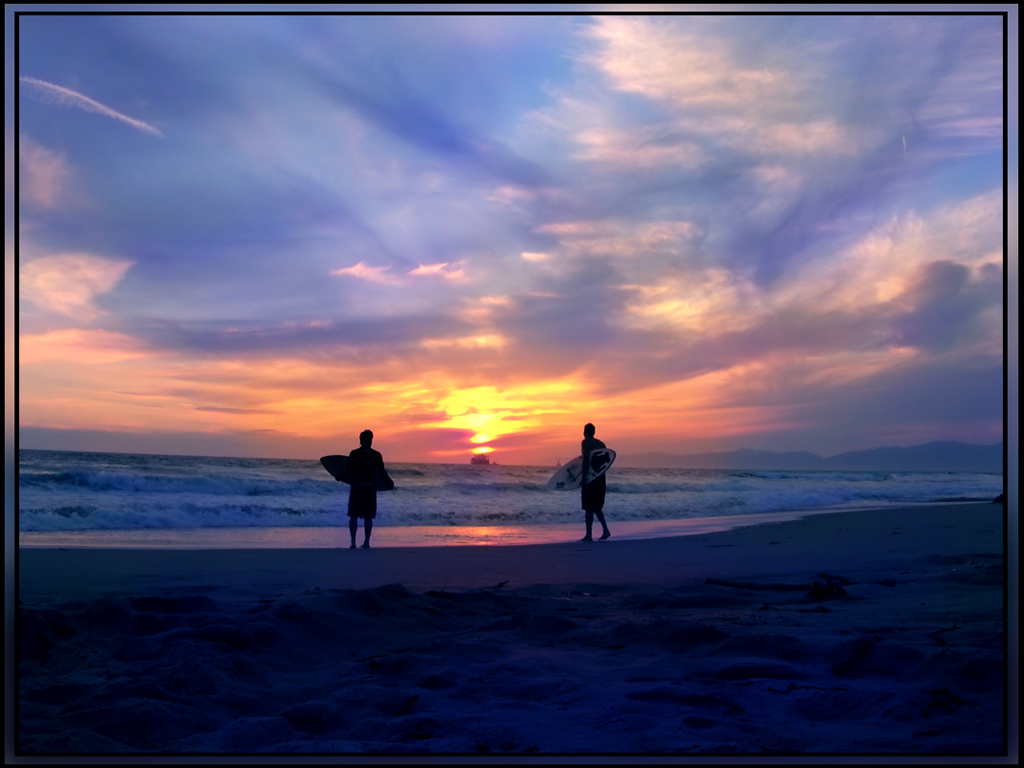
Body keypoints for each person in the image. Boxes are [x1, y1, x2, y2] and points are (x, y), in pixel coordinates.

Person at [339, 429, 393, 549]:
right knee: (368, 516)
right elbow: (382, 472)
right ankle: (366, 542)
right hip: (370, 488)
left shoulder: (354, 453)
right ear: (371, 440)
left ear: (360, 440)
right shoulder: (376, 455)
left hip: (357, 487)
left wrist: (339, 476)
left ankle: (353, 542)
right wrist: (388, 483)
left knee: (353, 515)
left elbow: (348, 469)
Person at [580, 423, 611, 541]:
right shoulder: (601, 443)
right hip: (601, 478)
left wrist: (583, 479)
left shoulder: (586, 442)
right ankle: (606, 530)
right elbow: (605, 461)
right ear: (594, 432)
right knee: (597, 507)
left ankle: (588, 535)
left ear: (584, 432)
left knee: (588, 507)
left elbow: (586, 460)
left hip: (590, 479)